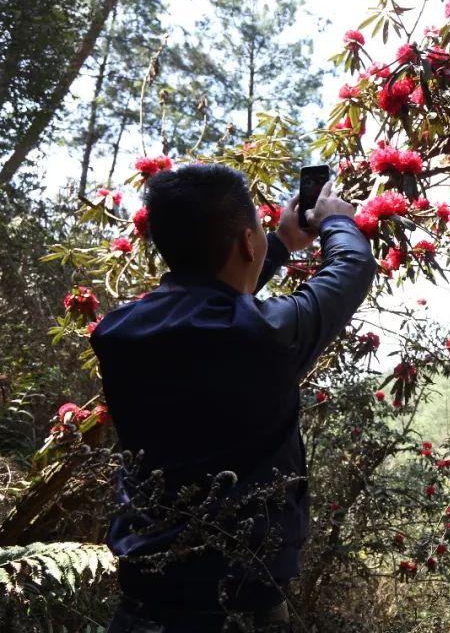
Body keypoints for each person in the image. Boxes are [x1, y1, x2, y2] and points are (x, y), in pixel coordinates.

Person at [92, 164, 376, 632]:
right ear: (247, 243)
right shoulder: (266, 336)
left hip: (143, 605)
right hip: (237, 611)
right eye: (259, 233)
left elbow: (213, 303)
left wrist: (279, 243)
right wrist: (335, 221)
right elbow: (351, 269)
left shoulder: (120, 331)